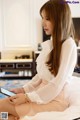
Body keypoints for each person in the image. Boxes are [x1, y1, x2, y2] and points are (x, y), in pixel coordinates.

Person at [0, 0, 77, 120]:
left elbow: (56, 84)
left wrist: (27, 97)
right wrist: (22, 90)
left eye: (48, 18)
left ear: (59, 19)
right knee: (6, 114)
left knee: (2, 109)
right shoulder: (51, 45)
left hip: (54, 100)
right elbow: (41, 77)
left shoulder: (68, 44)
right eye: (42, 18)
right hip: (41, 97)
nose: (43, 23)